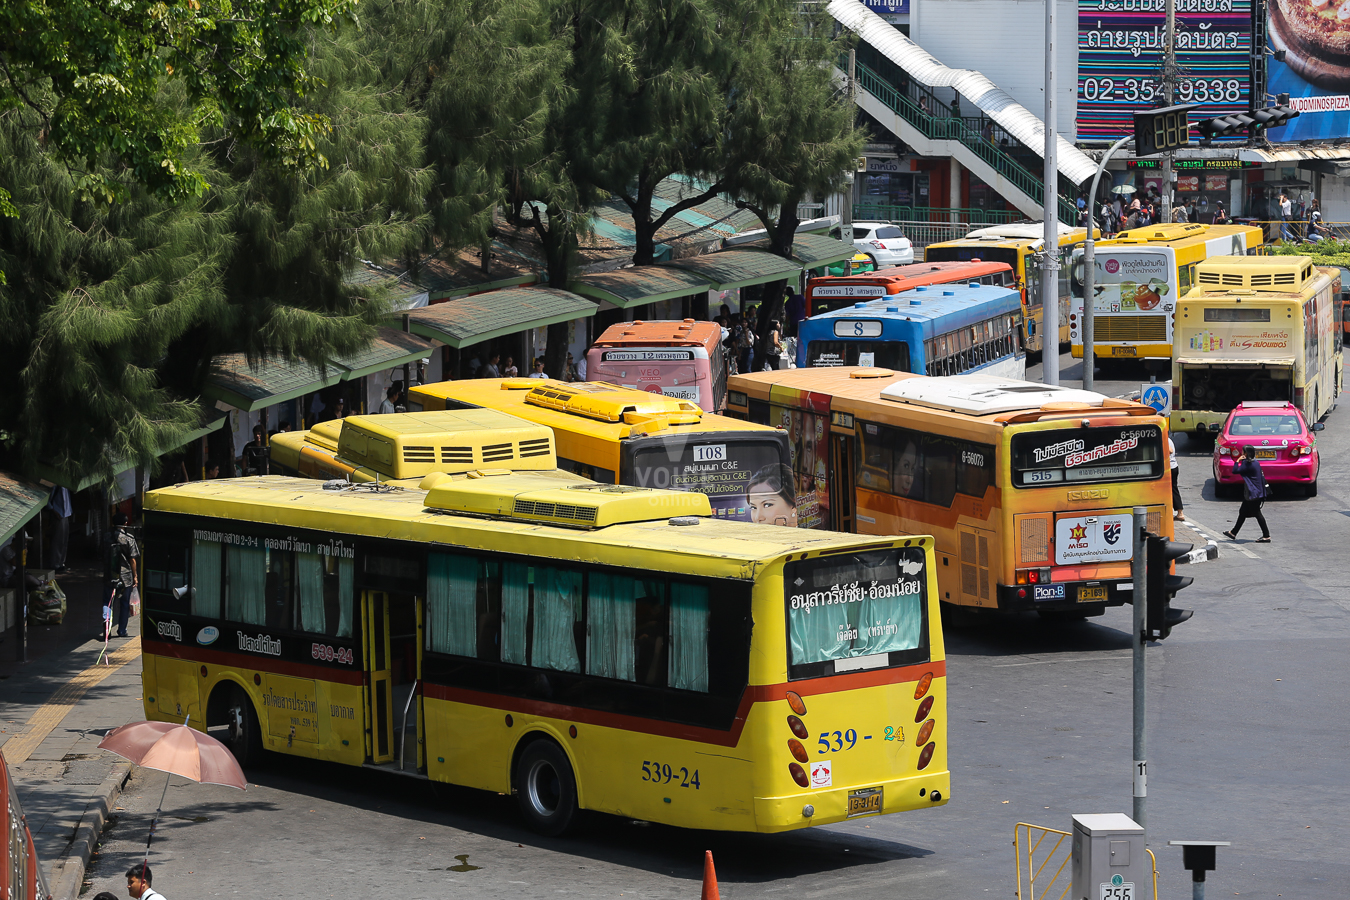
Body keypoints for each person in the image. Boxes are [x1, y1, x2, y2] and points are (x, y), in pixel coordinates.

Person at [1223, 446, 1271, 543]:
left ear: (1246, 453)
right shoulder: (1255, 462)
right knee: (1243, 512)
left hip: (1253, 493)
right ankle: (1233, 532)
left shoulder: (1248, 463)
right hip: (1256, 492)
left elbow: (1235, 470)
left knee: (1257, 513)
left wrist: (1238, 460)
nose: (1241, 453)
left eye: (1242, 452)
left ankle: (1266, 536)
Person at [108, 513, 139, 639]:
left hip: (109, 575)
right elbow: (132, 559)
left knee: (108, 603)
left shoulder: (106, 537)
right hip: (125, 577)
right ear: (125, 523)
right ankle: (122, 630)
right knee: (124, 603)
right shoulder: (129, 538)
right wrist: (135, 576)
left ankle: (106, 630)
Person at [47, 485, 72, 573]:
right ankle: (55, 564)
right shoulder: (56, 485)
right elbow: (48, 500)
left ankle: (61, 563)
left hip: (66, 513)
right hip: (58, 514)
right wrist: (53, 511)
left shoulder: (66, 485)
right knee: (57, 540)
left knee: (64, 540)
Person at [1169, 435, 1184, 522]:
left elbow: (1170, 450)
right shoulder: (1169, 439)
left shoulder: (1163, 439)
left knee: (1171, 489)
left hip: (1169, 468)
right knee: (1173, 488)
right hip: (1174, 467)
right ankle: (1179, 512)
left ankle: (1179, 513)